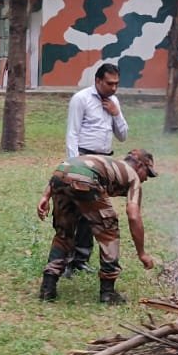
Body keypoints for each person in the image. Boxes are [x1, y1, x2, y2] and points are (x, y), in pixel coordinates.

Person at [36, 148, 157, 304]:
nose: (146, 179)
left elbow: (69, 167)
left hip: (60, 175)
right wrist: (142, 253)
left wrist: (46, 195)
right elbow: (134, 216)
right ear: (140, 165)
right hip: (85, 179)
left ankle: (48, 287)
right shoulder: (133, 177)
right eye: (147, 173)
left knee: (64, 234)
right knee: (109, 232)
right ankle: (108, 292)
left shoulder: (109, 163)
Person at [64, 62, 129, 267]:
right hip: (84, 160)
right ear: (98, 80)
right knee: (76, 210)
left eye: (116, 84)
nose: (113, 88)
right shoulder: (81, 99)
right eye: (109, 83)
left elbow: (123, 136)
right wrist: (74, 165)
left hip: (105, 162)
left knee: (94, 212)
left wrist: (116, 113)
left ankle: (81, 259)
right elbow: (72, 133)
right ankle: (67, 259)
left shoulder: (113, 102)